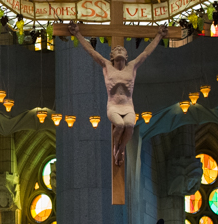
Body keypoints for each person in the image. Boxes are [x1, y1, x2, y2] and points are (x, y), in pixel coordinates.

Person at [69, 22, 166, 166]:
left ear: (126, 56)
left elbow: (146, 53)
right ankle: (116, 148)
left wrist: (159, 35)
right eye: (117, 49)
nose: (120, 49)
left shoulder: (132, 66)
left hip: (128, 107)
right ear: (111, 56)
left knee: (129, 125)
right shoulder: (107, 66)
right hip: (114, 106)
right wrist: (77, 34)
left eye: (122, 49)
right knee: (120, 125)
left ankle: (121, 148)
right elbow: (91, 51)